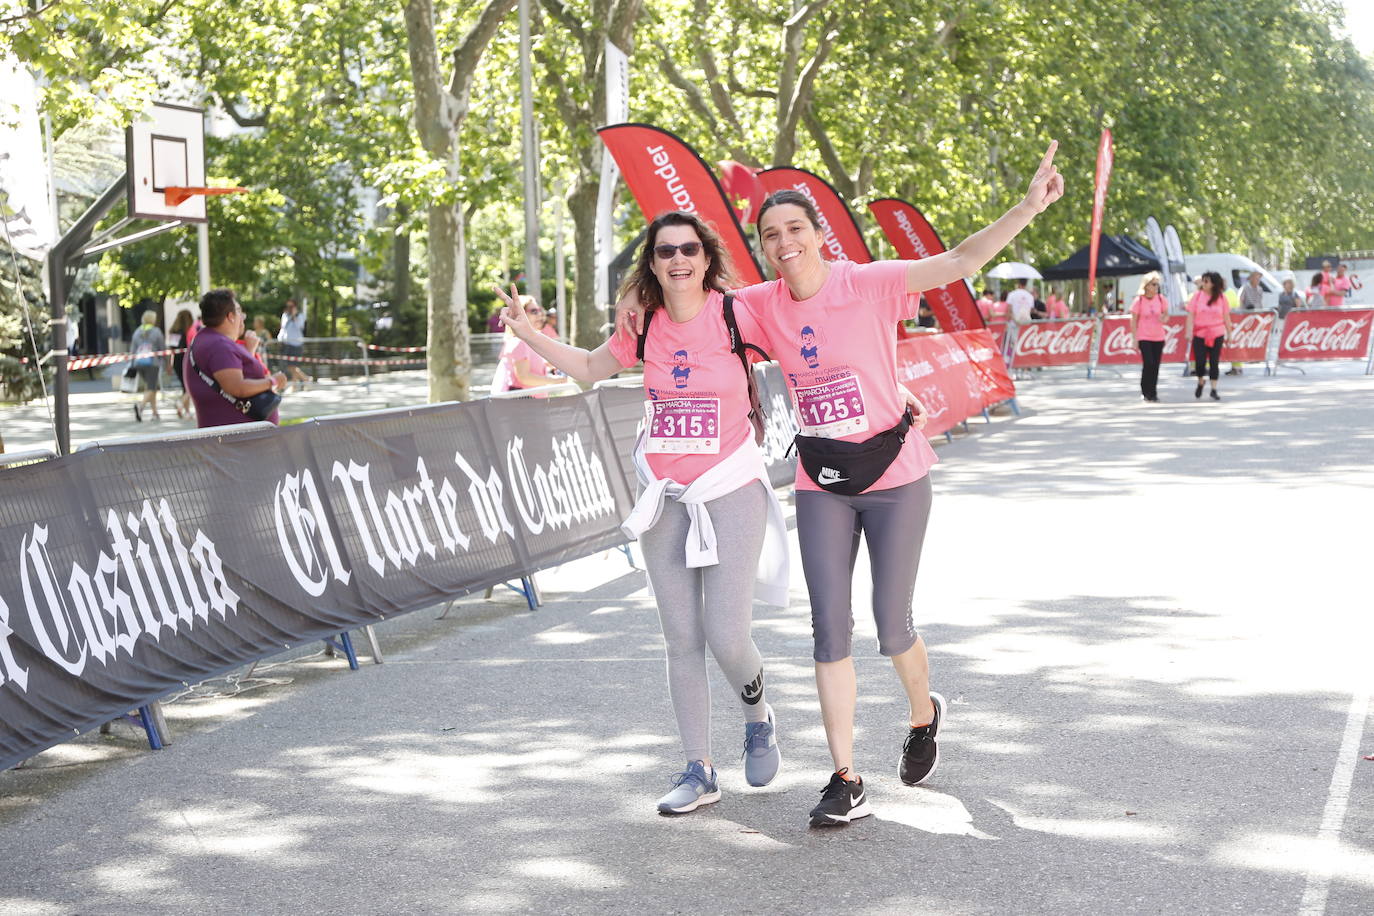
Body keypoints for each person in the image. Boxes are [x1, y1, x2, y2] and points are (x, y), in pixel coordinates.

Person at [622, 141, 1063, 827]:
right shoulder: (759, 305)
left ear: (819, 234)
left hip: (895, 473)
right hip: (820, 478)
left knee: (892, 628)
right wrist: (641, 314)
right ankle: (845, 777)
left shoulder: (869, 281)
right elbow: (694, 314)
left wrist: (1025, 208)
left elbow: (957, 263)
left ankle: (923, 714)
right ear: (763, 250)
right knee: (829, 628)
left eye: (795, 228)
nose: (784, 242)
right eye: (771, 236)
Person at [495, 211, 788, 816]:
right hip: (663, 495)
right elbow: (587, 369)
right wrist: (528, 334)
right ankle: (699, 768)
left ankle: (758, 715)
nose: (678, 259)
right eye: (664, 252)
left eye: (688, 249)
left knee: (726, 635)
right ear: (652, 264)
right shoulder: (645, 324)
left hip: (730, 485)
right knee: (680, 637)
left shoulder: (741, 313)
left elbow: (812, 328)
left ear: (707, 258)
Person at [187, 289, 286, 428]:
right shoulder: (219, 345)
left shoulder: (207, 340)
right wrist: (273, 381)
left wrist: (249, 353)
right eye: (239, 311)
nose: (243, 317)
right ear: (230, 316)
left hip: (235, 437)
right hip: (237, 440)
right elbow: (236, 387)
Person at [489, 296, 562, 395]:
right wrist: (556, 381)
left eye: (539, 310)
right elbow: (524, 377)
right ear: (519, 315)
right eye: (534, 311)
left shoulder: (527, 341)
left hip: (529, 404)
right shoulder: (519, 342)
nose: (540, 314)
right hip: (521, 405)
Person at [1184, 271, 1232, 401]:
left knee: (1214, 361)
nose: (1203, 283)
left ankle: (1214, 389)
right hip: (1200, 333)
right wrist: (1188, 331)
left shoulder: (1221, 298)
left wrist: (1229, 333)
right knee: (1200, 362)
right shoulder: (1197, 296)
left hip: (1217, 333)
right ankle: (1201, 381)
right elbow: (1191, 315)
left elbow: (1226, 316)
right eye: (1203, 281)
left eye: (1206, 281)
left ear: (1213, 283)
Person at [1129, 272, 1169, 402]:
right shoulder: (1139, 300)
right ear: (1146, 286)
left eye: (1157, 284)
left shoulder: (1161, 299)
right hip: (1144, 336)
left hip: (1158, 337)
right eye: (1154, 284)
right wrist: (1134, 338)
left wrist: (1164, 318)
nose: (1156, 287)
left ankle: (1153, 391)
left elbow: (1166, 315)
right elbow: (1133, 321)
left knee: (1156, 365)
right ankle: (1145, 389)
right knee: (1149, 363)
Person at [128, 309, 164, 422]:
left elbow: (132, 349)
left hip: (139, 363)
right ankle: (140, 407)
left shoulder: (137, 332)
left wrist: (132, 364)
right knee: (152, 387)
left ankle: (155, 413)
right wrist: (166, 363)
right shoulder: (156, 331)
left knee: (150, 388)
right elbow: (162, 348)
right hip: (153, 363)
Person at [1229, 270, 1265, 375]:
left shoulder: (1260, 289)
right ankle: (1247, 356)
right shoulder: (1245, 288)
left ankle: (1255, 355)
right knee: (1246, 336)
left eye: (1259, 278)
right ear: (1251, 278)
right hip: (1247, 317)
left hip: (1257, 316)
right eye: (1256, 278)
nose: (1258, 280)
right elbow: (1240, 300)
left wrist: (1262, 313)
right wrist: (1242, 312)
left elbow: (1260, 302)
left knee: (1256, 336)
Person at [277, 299, 313, 390]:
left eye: (291, 306)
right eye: (288, 306)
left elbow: (300, 326)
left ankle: (303, 380)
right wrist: (290, 317)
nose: (289, 308)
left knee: (292, 366)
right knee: (291, 366)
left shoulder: (300, 316)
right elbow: (283, 326)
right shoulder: (285, 315)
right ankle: (297, 384)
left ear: (295, 307)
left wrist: (295, 316)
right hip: (287, 343)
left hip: (297, 343)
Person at [167, 309, 195, 420]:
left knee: (185, 386)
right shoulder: (189, 330)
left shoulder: (173, 331)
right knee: (189, 386)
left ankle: (187, 412)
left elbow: (172, 350)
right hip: (186, 360)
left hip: (176, 362)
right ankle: (180, 403)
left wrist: (169, 364)